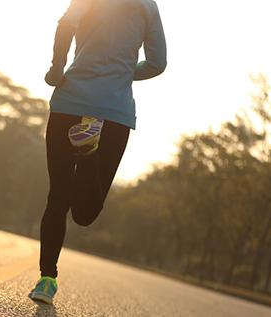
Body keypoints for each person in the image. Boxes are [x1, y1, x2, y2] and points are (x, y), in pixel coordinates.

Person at [28, 0, 167, 305]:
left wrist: (57, 68)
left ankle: (46, 280)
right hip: (114, 114)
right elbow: (157, 63)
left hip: (69, 103)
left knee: (58, 198)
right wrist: (122, 72)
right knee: (85, 214)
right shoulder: (147, 6)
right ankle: (88, 152)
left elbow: (65, 24)